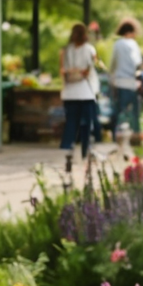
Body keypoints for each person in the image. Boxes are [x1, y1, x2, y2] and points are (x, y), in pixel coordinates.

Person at [59, 22, 100, 173]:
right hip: (86, 92)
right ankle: (85, 153)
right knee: (85, 126)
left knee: (71, 124)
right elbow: (92, 66)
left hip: (71, 92)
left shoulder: (67, 50)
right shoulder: (89, 49)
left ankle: (69, 153)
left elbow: (63, 70)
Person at [109, 19, 143, 157]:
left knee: (118, 112)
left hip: (119, 82)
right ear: (130, 31)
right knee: (134, 114)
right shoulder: (133, 44)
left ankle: (115, 137)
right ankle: (135, 139)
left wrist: (112, 76)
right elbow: (138, 62)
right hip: (131, 82)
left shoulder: (117, 44)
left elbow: (113, 63)